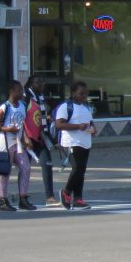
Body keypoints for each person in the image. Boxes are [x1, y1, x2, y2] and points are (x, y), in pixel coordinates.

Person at [0, 80, 37, 212]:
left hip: (18, 143)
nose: (22, 92)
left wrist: (26, 138)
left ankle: (23, 199)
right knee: (5, 172)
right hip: (5, 143)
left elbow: (21, 125)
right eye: (19, 90)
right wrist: (8, 129)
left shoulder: (22, 105)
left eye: (22, 90)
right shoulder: (4, 107)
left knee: (26, 168)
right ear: (11, 92)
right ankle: (3, 201)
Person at [55, 80, 96, 210]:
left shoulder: (86, 107)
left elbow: (91, 123)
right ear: (73, 93)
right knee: (77, 168)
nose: (84, 96)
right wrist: (78, 126)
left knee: (81, 170)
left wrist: (93, 129)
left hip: (85, 143)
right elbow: (59, 124)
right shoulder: (66, 106)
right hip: (71, 142)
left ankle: (78, 199)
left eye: (86, 93)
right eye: (81, 93)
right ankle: (66, 192)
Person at [23, 75, 57, 206]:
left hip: (40, 137)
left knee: (47, 164)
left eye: (43, 82)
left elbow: (42, 118)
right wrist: (25, 137)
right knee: (25, 168)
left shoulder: (41, 97)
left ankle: (50, 197)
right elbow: (20, 118)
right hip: (27, 138)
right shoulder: (26, 97)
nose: (42, 84)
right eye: (38, 82)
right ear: (31, 83)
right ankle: (22, 197)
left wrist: (52, 139)